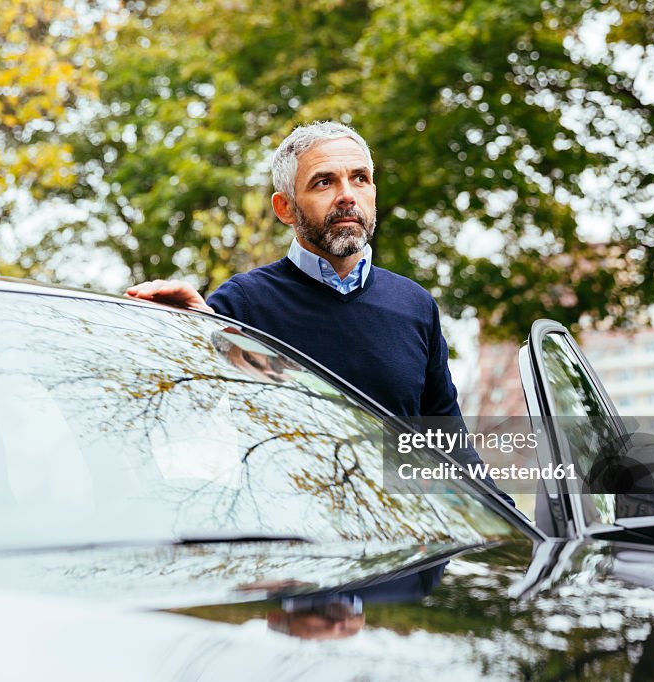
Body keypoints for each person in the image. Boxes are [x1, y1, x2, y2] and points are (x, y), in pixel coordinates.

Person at [127, 121, 511, 505]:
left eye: (359, 178)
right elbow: (188, 410)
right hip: (298, 551)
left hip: (408, 550)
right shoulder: (243, 303)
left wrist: (514, 530)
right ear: (285, 208)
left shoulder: (415, 306)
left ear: (373, 192)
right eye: (324, 182)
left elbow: (450, 447)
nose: (347, 195)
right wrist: (194, 331)